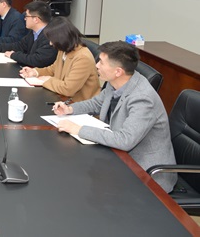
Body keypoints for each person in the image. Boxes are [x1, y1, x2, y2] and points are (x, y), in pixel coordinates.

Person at [53, 41, 177, 193]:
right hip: (120, 157)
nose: (96, 65)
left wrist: (78, 129)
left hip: (146, 173)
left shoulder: (143, 98)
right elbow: (97, 103)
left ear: (118, 71)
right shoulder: (116, 83)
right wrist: (70, 109)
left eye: (101, 62)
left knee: (82, 184)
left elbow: (125, 140)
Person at [19, 17, 99, 102]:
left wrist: (47, 80)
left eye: (52, 40)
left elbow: (68, 89)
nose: (51, 43)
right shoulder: (64, 49)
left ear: (61, 38)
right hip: (62, 98)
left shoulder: (83, 58)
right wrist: (35, 72)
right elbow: (54, 69)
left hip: (78, 104)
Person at [0, 1, 58, 68]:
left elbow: (37, 60)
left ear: (36, 19)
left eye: (27, 16)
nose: (25, 19)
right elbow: (20, 45)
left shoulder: (50, 37)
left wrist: (14, 55)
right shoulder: (33, 32)